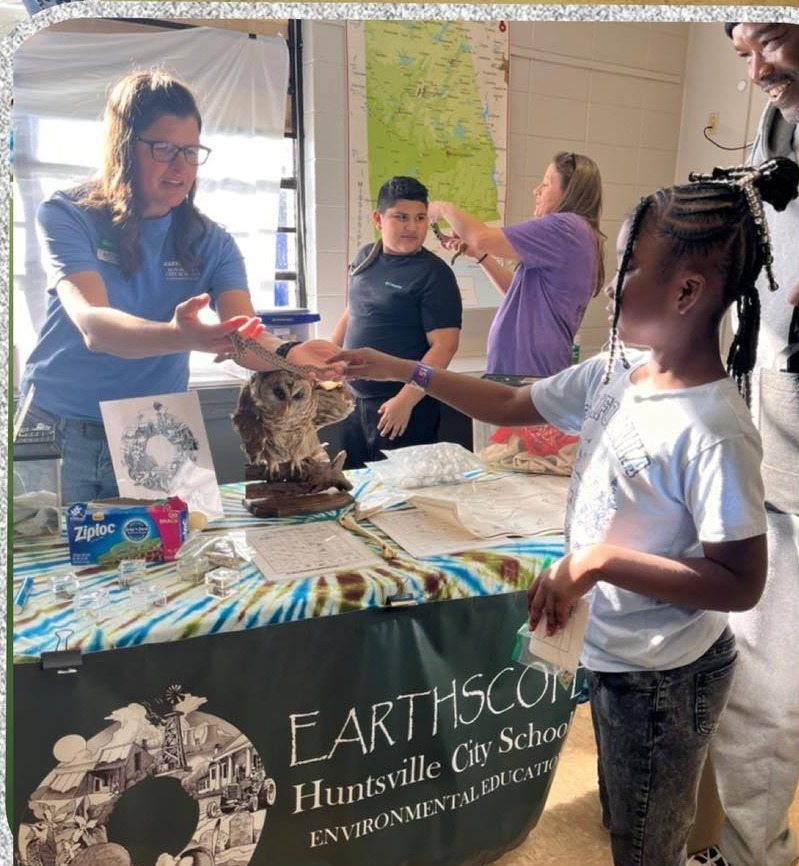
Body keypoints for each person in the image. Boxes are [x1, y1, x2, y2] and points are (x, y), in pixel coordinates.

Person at [328, 158, 799, 866]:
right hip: (612, 652)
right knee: (628, 817)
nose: (607, 287)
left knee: (645, 842)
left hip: (664, 679)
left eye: (629, 268)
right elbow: (515, 403)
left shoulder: (713, 426)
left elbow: (739, 582)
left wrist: (598, 560)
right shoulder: (619, 371)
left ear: (687, 291)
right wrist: (404, 370)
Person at [18, 69, 342, 504]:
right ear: (122, 147)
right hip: (58, 428)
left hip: (152, 429)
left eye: (191, 151)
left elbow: (244, 339)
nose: (180, 166)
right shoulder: (68, 214)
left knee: (167, 564)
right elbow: (93, 326)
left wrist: (289, 355)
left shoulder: (212, 241)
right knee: (50, 565)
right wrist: (178, 336)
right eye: (164, 148)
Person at [688, 23, 799, 866]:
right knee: (750, 673)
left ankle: (748, 852)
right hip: (768, 427)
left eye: (769, 37)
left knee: (762, 682)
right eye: (741, 48)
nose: (755, 66)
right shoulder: (775, 138)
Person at [428, 151, 604, 377]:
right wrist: (481, 256)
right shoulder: (575, 234)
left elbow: (481, 236)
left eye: (546, 184)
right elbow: (517, 293)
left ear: (568, 193)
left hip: (529, 376)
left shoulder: (565, 227)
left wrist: (443, 209)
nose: (536, 191)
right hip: (522, 373)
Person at [328, 176, 462, 469]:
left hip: (401, 406)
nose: (412, 227)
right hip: (352, 402)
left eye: (420, 218)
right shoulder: (366, 257)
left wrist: (407, 400)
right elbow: (352, 311)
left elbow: (445, 346)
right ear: (379, 219)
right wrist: (325, 360)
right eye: (401, 217)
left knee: (401, 503)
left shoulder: (434, 274)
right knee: (353, 491)